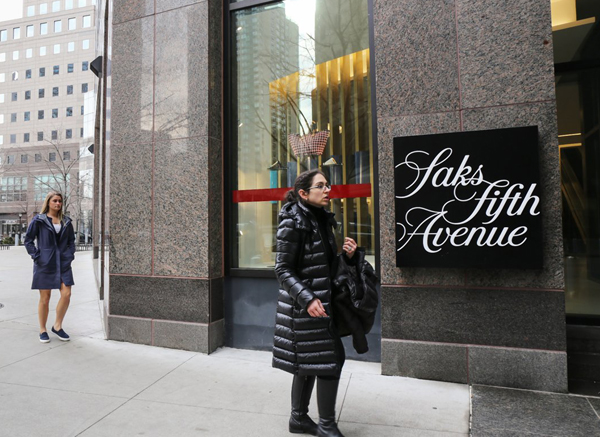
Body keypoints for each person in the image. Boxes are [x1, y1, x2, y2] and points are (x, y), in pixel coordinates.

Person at [273, 169, 358, 437]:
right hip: (306, 307)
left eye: (327, 185)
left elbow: (324, 266)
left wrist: (348, 256)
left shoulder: (321, 219)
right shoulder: (293, 221)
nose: (327, 190)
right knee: (330, 360)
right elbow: (282, 269)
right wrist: (307, 298)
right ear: (303, 193)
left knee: (310, 361)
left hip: (322, 304)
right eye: (320, 186)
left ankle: (298, 419)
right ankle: (326, 425)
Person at [24, 191, 76, 343]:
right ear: (48, 202)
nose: (58, 204)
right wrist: (36, 256)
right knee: (45, 298)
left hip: (64, 263)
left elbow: (71, 241)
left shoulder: (66, 221)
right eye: (55, 201)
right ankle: (42, 329)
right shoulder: (39, 220)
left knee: (66, 294)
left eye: (60, 201)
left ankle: (57, 326)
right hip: (45, 263)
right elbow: (28, 240)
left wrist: (70, 255)